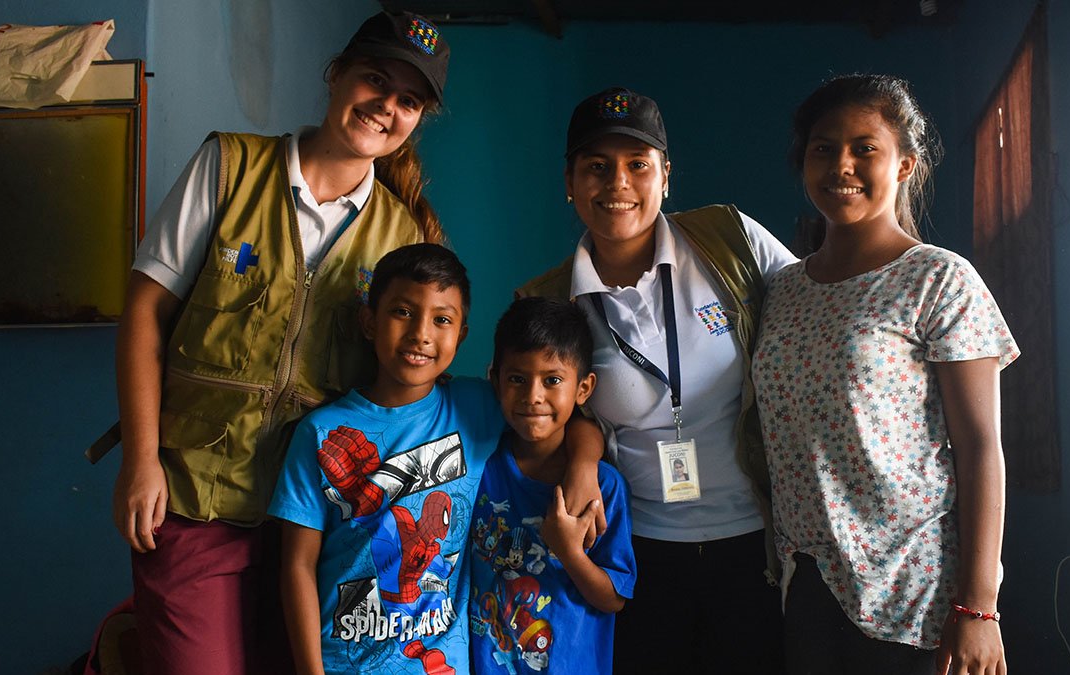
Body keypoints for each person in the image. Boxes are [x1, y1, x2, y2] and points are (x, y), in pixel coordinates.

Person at [110, 12, 453, 673]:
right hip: (195, 495)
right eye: (374, 80)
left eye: (408, 100)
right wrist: (142, 459)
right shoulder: (230, 167)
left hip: (316, 525)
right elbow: (146, 313)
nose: (386, 107)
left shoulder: (404, 238)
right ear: (336, 75)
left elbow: (402, 388)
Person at [517, 87, 797, 673]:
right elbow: (568, 414)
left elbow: (809, 313)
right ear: (569, 181)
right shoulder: (546, 299)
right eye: (596, 167)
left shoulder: (728, 239)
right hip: (640, 551)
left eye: (637, 165)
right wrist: (582, 461)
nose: (617, 183)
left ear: (665, 177)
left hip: (755, 543)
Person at [751, 74, 1017, 675]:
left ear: (904, 165)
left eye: (864, 147)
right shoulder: (782, 290)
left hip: (915, 589)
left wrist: (980, 607)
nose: (841, 165)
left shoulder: (939, 280)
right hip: (809, 579)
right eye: (823, 148)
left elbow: (981, 450)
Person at [267, 245, 604, 675]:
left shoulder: (477, 406)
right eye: (403, 312)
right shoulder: (318, 432)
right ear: (369, 321)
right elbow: (297, 565)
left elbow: (563, 416)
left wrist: (583, 466)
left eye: (441, 319)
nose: (421, 334)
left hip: (441, 664)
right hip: (342, 661)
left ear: (461, 334)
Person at [469, 296, 636, 675]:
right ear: (494, 380)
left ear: (583, 388)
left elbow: (614, 598)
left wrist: (569, 552)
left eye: (553, 380)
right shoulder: (479, 469)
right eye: (517, 379)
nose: (533, 396)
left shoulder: (604, 488)